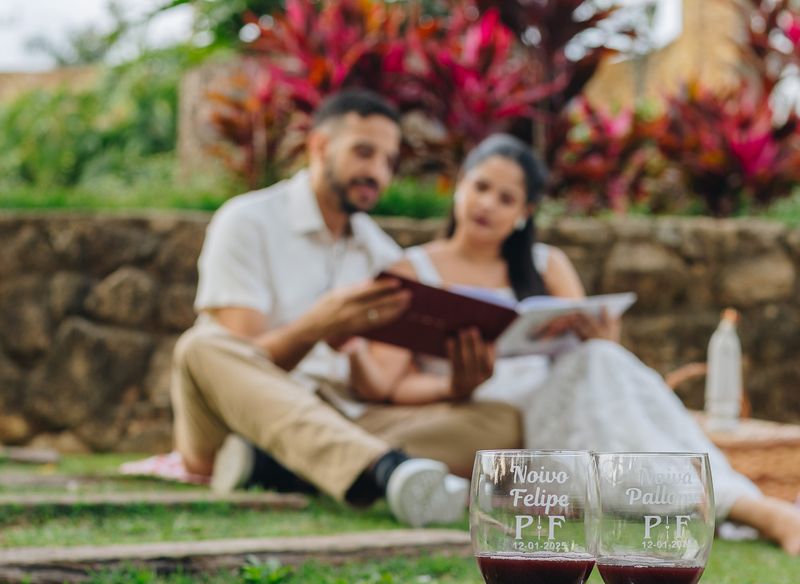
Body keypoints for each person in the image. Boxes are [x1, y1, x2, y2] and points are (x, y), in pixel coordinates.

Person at [344, 133, 800, 555]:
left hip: (563, 404)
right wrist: (457, 386)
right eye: (481, 187)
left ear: (525, 212)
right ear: (460, 185)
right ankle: (750, 509)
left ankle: (732, 505)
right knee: (601, 377)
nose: (487, 204)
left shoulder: (547, 265)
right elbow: (390, 384)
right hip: (484, 412)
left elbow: (589, 356)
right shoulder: (411, 271)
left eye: (506, 199)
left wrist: (603, 338)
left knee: (602, 359)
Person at [170, 91, 521, 527]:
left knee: (500, 423)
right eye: (364, 152)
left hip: (344, 419)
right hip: (237, 420)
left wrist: (455, 385)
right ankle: (383, 471)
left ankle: (278, 469)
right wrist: (316, 326)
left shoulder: (382, 255)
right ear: (319, 146)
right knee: (200, 347)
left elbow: (378, 388)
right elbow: (241, 366)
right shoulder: (247, 222)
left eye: (388, 161)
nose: (376, 172)